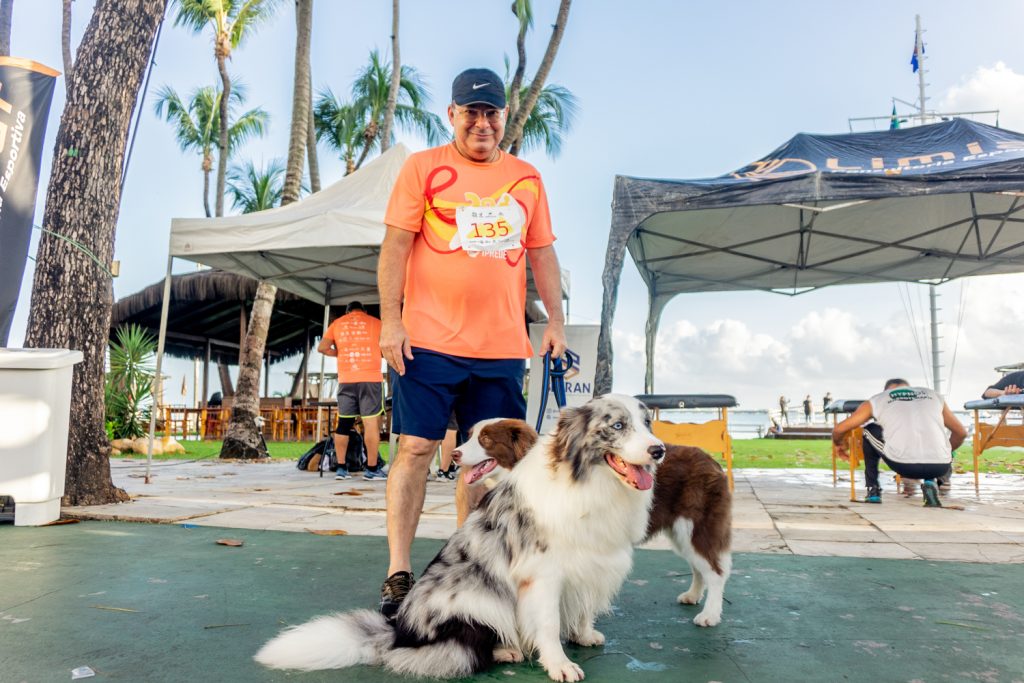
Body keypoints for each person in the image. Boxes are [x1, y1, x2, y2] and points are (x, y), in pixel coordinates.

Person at [376, 67, 567, 620]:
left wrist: (554, 321)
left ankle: (470, 569)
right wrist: (392, 320)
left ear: (504, 117)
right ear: (452, 115)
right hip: (428, 342)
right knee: (413, 449)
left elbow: (543, 253)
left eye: (492, 113)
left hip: (501, 347)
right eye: (471, 112)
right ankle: (397, 571)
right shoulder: (422, 168)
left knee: (484, 466)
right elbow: (394, 247)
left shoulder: (527, 178)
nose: (482, 122)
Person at [832, 378, 966, 506]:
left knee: (868, 430)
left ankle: (873, 490)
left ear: (886, 391)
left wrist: (839, 445)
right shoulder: (933, 396)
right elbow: (961, 433)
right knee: (932, 437)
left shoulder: (878, 399)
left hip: (904, 466)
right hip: (940, 468)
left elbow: (840, 429)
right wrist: (946, 453)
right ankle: (930, 482)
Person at [317, 301, 387, 481]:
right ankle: (371, 469)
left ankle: (341, 468)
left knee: (344, 425)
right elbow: (387, 347)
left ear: (348, 312)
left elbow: (322, 347)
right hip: (370, 379)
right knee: (371, 424)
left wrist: (339, 353)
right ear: (363, 311)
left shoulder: (337, 323)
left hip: (346, 379)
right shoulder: (376, 322)